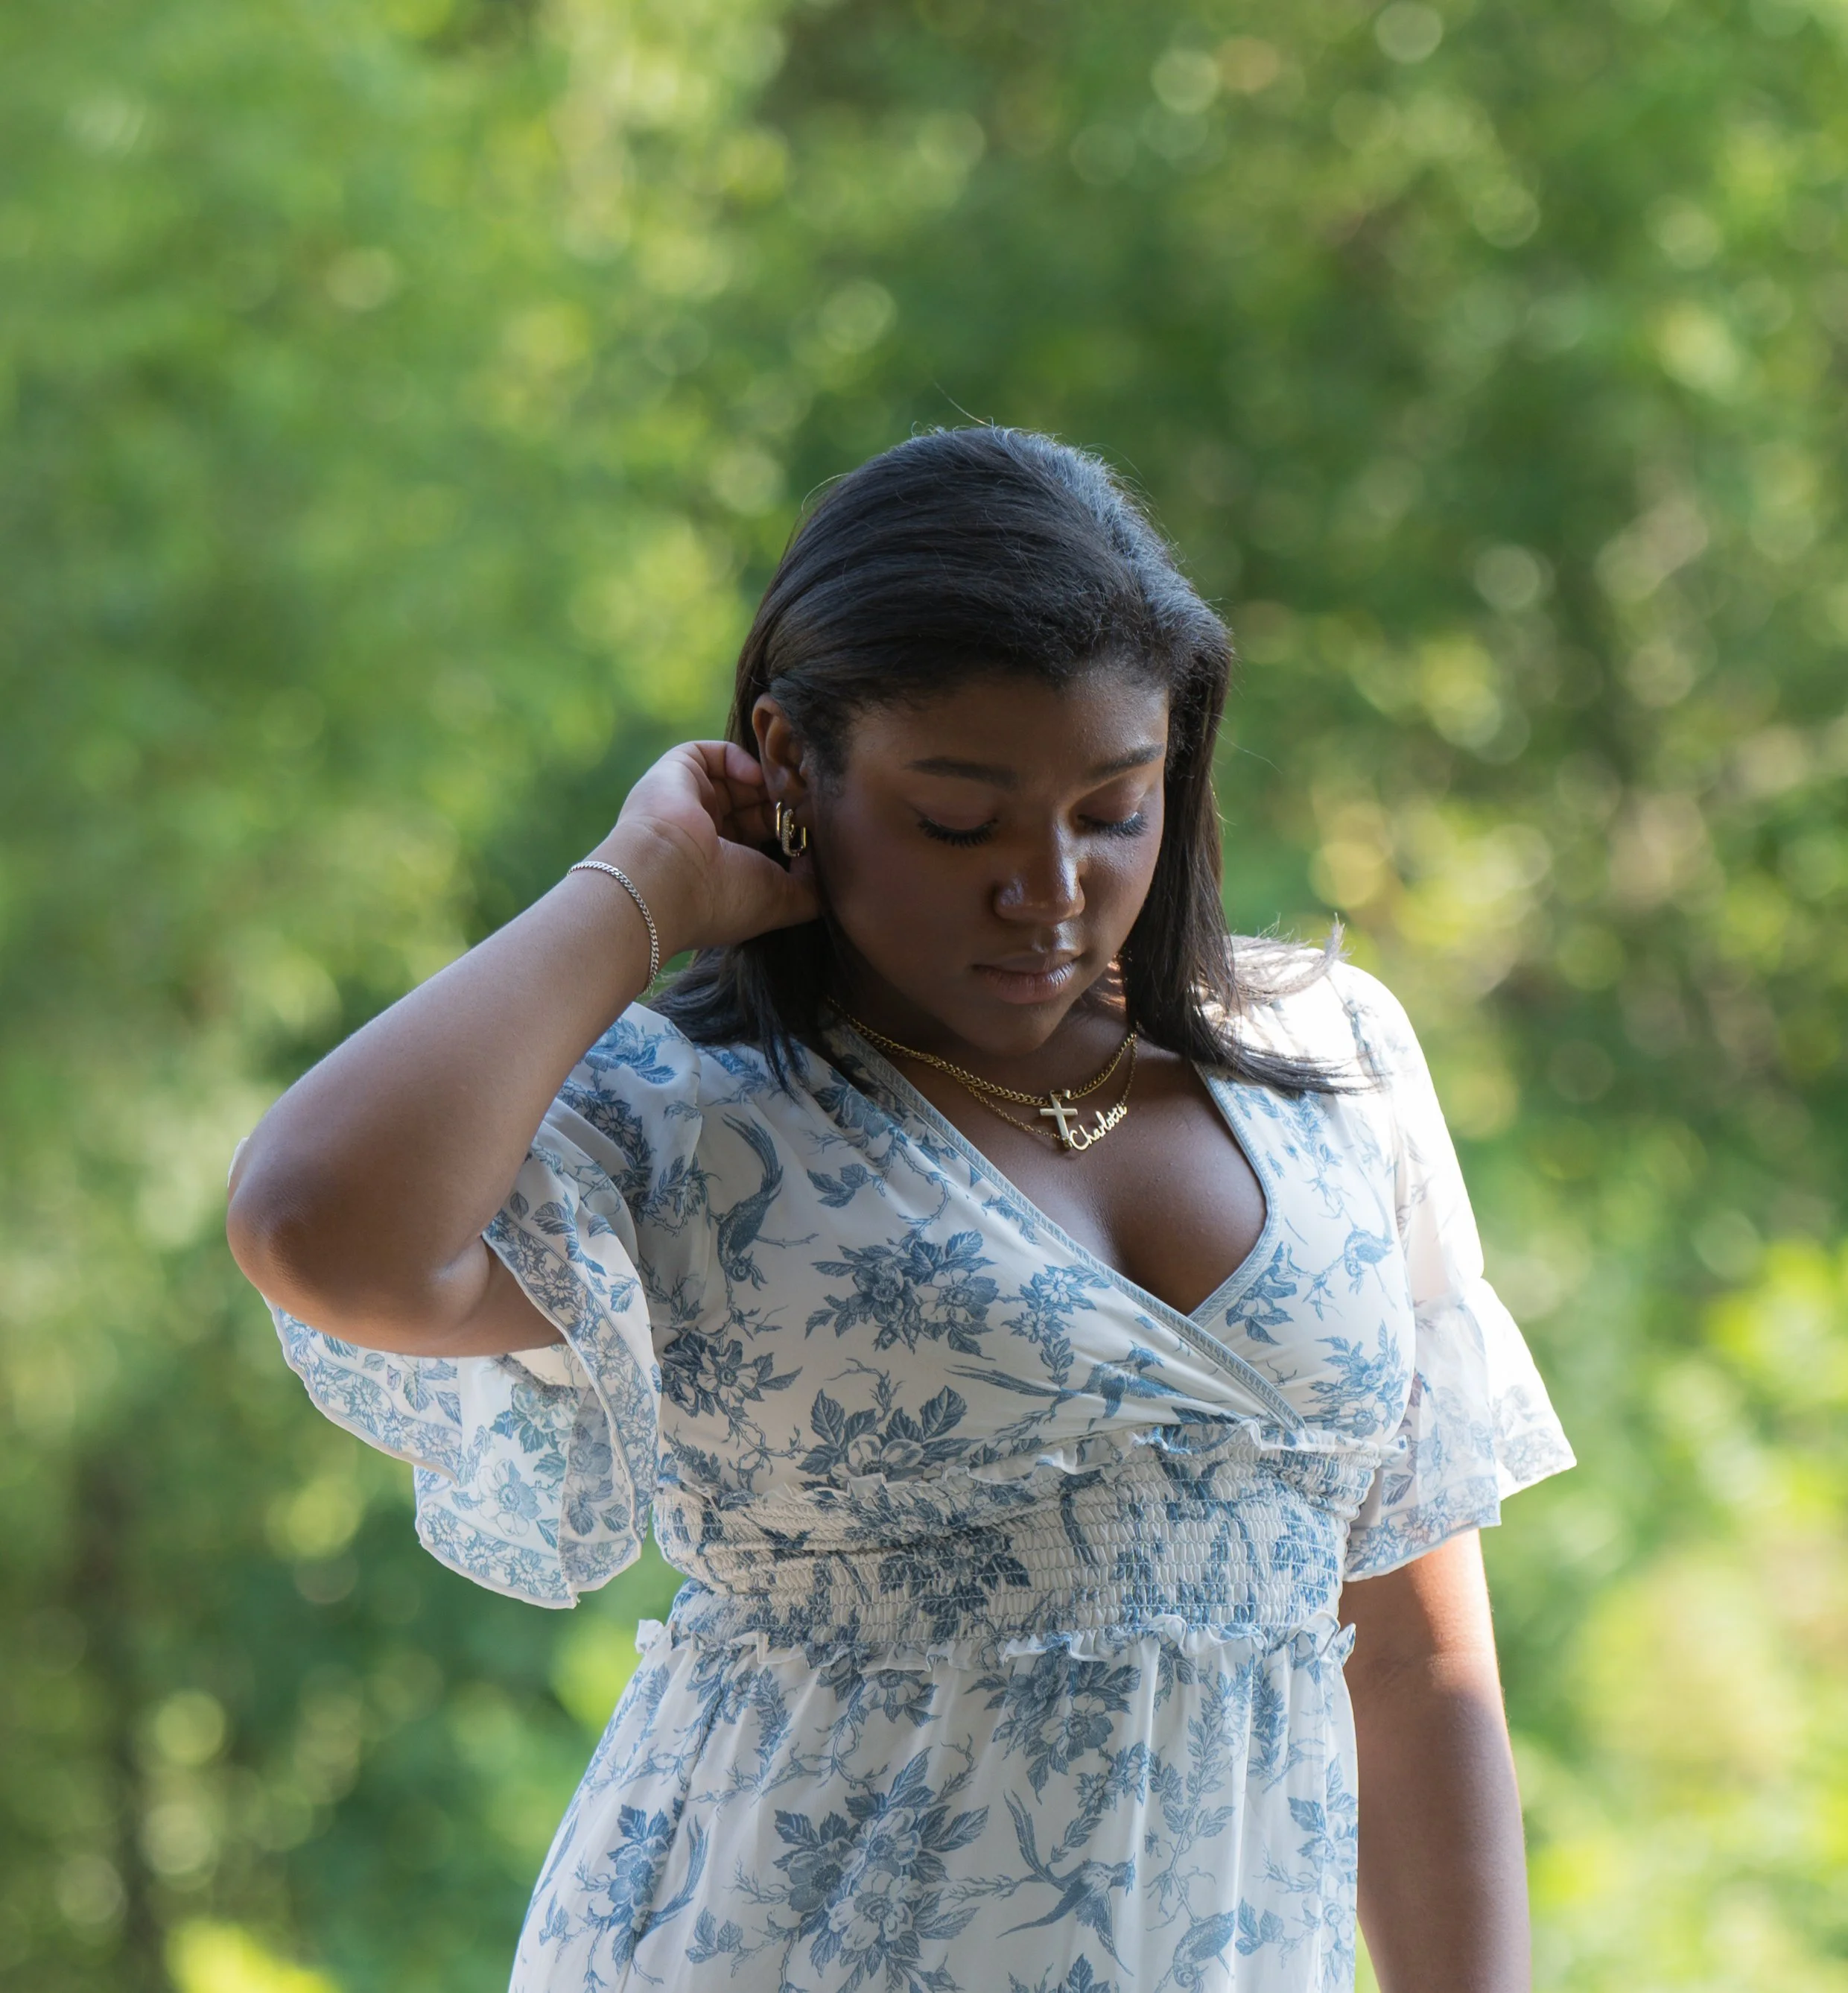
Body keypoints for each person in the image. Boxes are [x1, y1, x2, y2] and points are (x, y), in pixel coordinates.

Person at [227, 426, 1572, 1993]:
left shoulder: (1332, 1063)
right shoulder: (690, 1121)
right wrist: (640, 882)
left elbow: (1418, 1664)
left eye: (1111, 809)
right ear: (790, 762)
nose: (1048, 887)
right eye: (961, 821)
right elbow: (317, 1222)